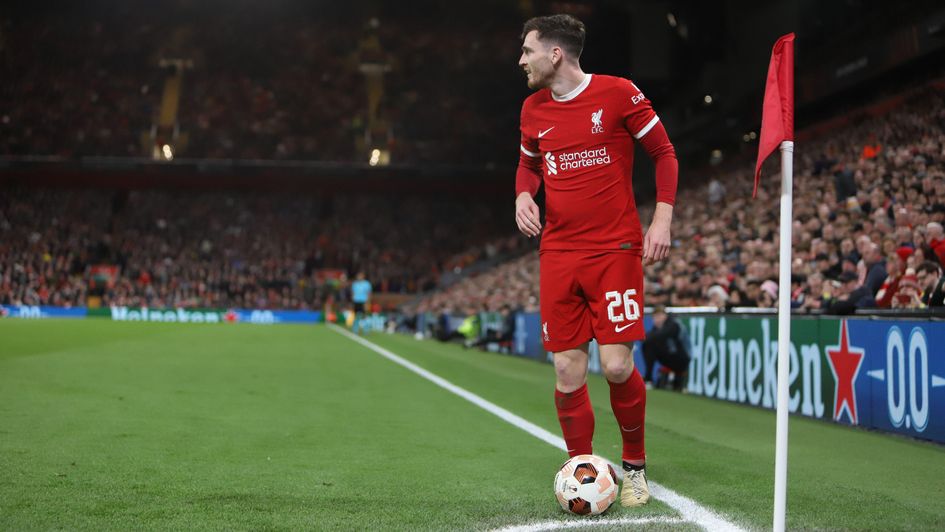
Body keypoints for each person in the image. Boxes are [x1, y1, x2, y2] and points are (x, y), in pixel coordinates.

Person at [514, 14, 677, 507]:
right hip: (559, 252)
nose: (521, 60)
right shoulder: (532, 108)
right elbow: (527, 164)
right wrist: (524, 195)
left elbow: (664, 154)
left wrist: (662, 219)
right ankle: (579, 468)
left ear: (555, 54)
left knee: (616, 365)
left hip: (614, 250)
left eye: (528, 50)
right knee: (566, 370)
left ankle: (634, 468)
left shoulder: (619, 93)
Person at [641, 306, 690, 391]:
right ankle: (648, 379)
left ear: (665, 316)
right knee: (648, 345)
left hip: (682, 359)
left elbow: (661, 335)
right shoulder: (657, 328)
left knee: (649, 345)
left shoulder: (673, 325)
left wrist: (644, 337)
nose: (657, 319)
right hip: (670, 357)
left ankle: (649, 380)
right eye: (655, 317)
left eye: (659, 316)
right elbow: (649, 339)